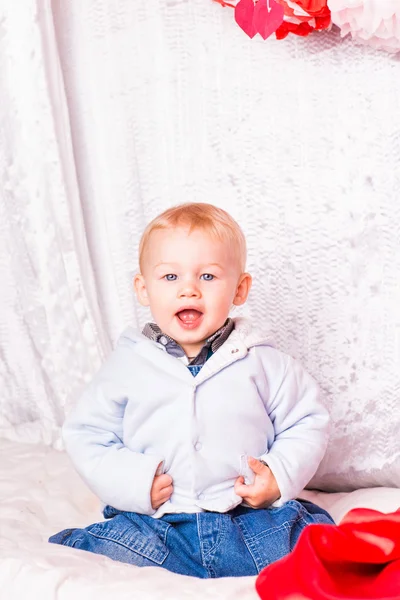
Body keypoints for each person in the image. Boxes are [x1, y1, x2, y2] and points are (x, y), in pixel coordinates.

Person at [49, 202, 334, 578]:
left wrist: (278, 474)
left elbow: (308, 420)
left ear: (240, 288)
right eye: (170, 278)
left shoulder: (262, 361)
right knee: (86, 555)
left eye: (208, 277)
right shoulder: (129, 365)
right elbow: (87, 434)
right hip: (159, 523)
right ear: (143, 288)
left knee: (317, 543)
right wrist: (134, 482)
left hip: (248, 520)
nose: (188, 291)